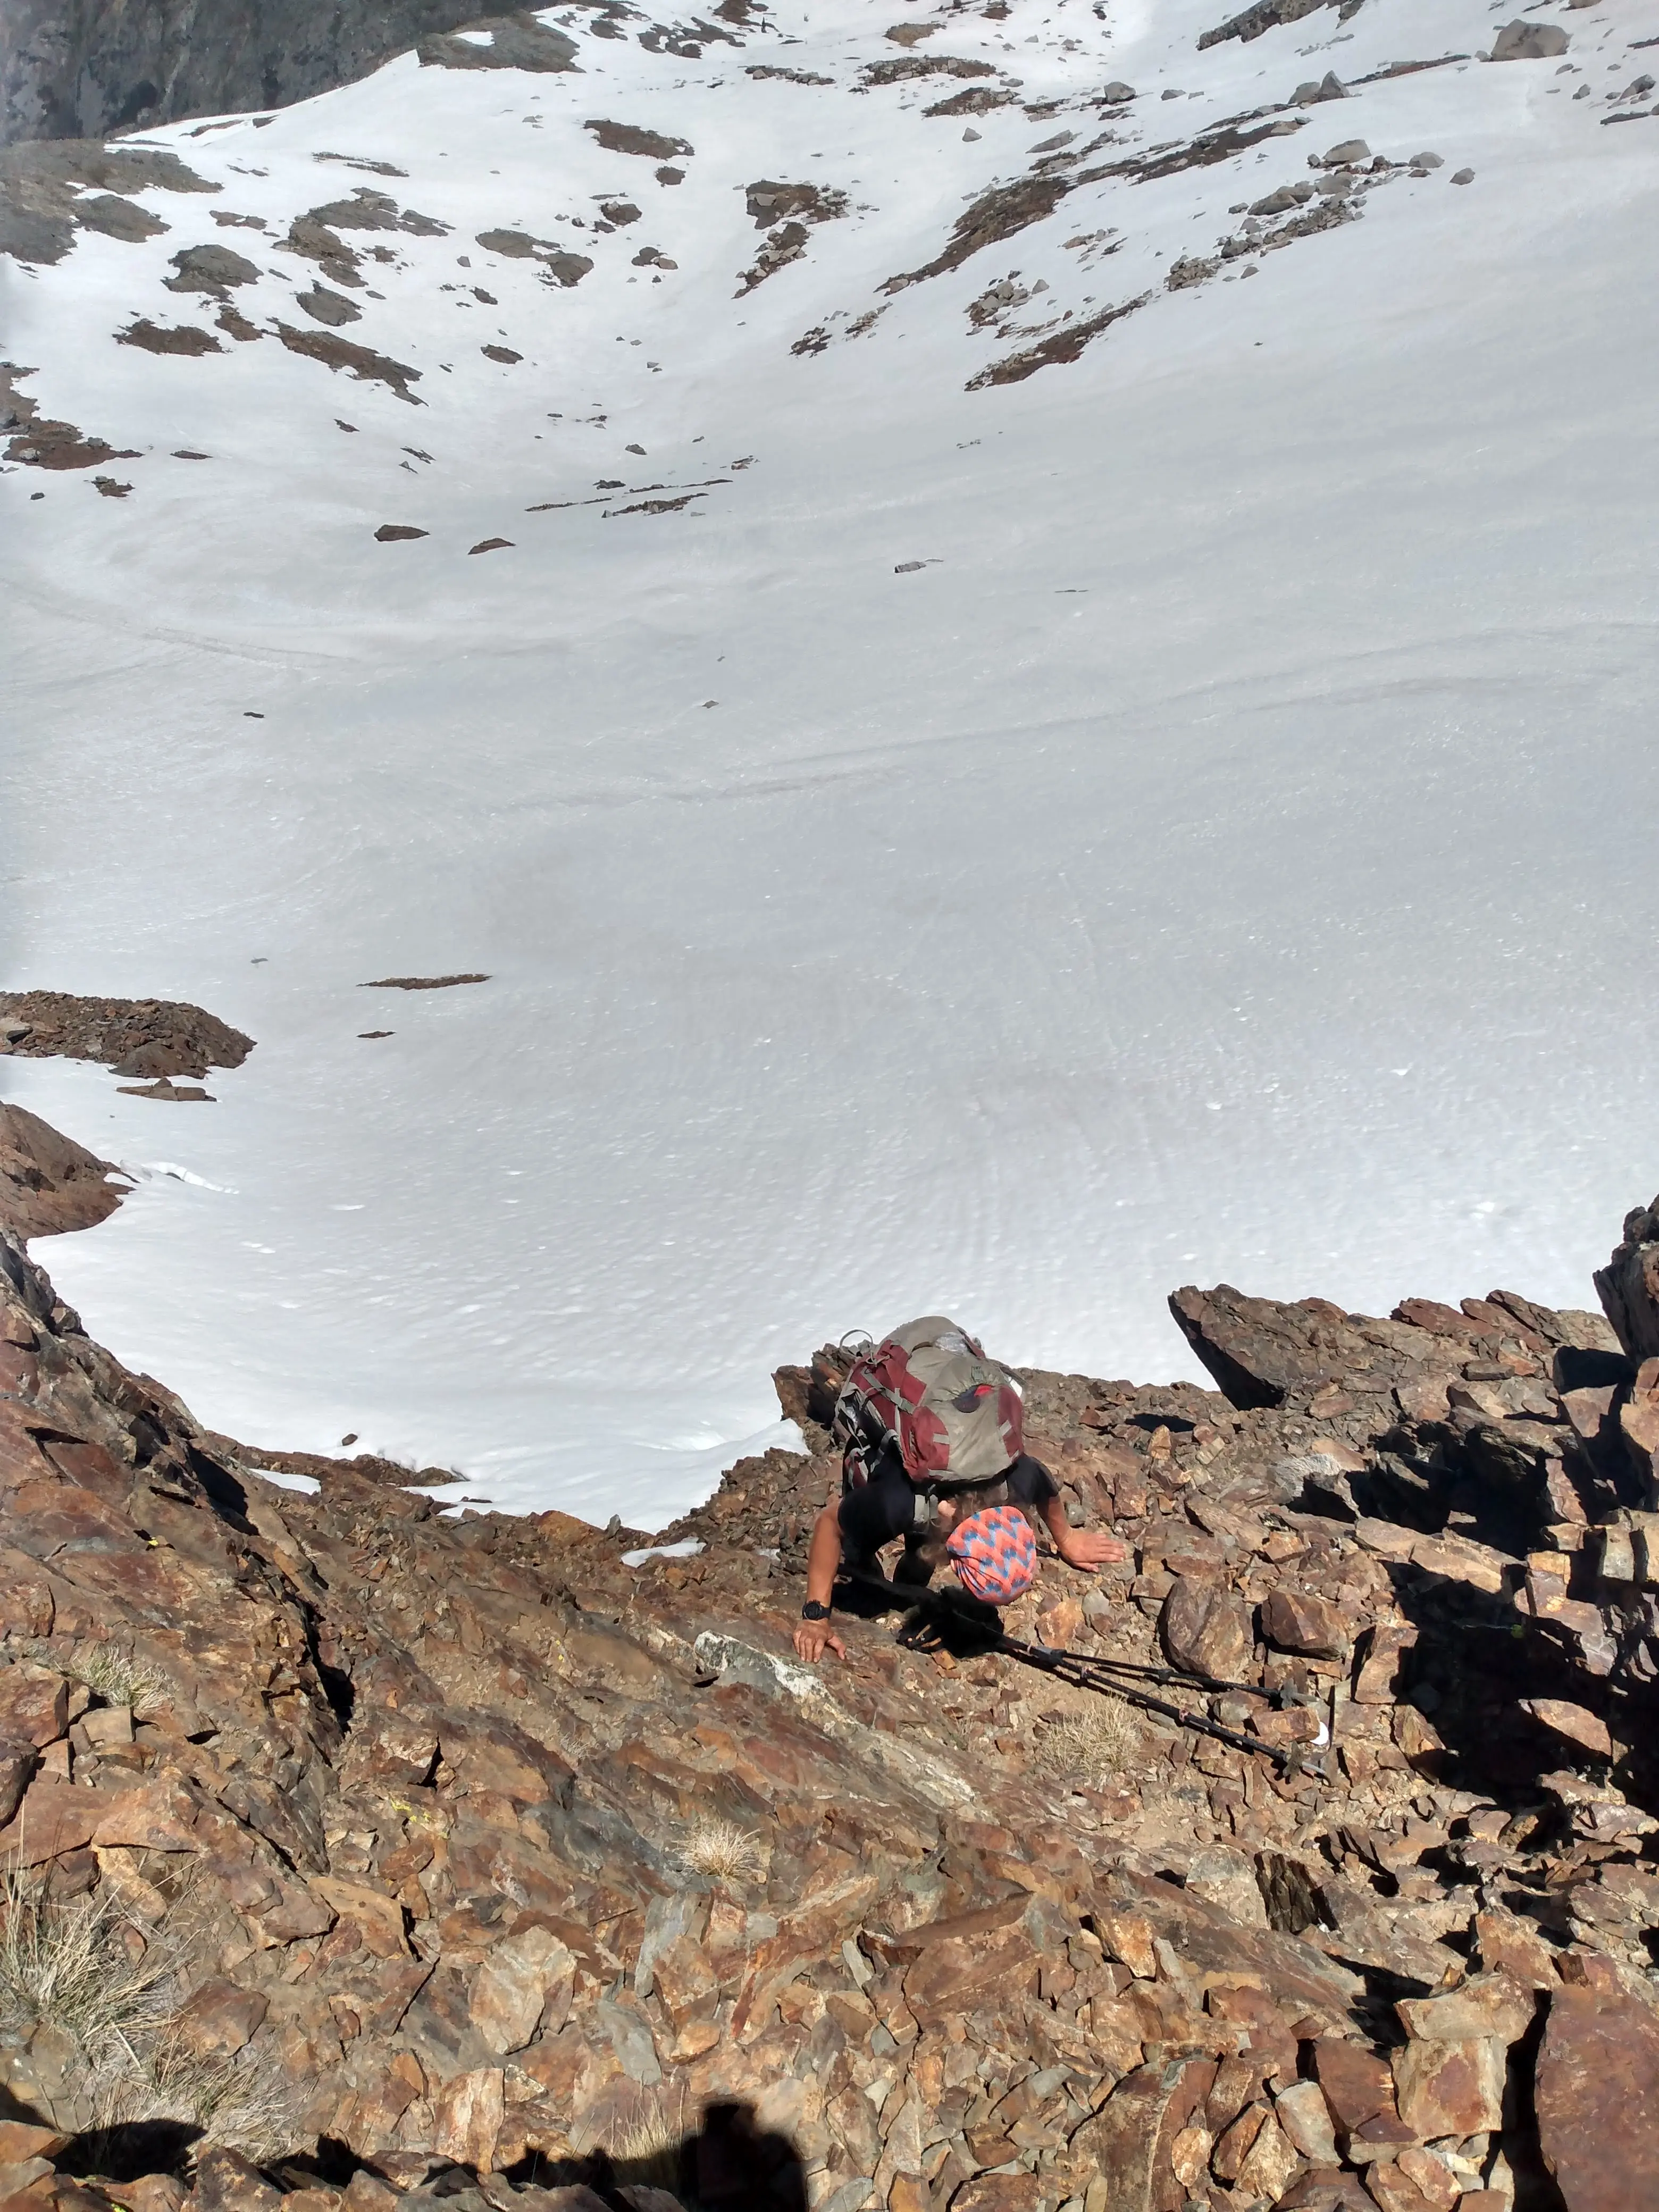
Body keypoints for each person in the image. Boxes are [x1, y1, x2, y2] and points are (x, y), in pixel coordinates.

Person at [792, 1326, 1127, 1662]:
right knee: (858, 1545)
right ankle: (869, 1566)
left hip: (945, 1422)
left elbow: (1041, 1480)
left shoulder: (1014, 1483)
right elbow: (829, 1524)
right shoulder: (896, 1503)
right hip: (893, 1445)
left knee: (919, 1552)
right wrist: (816, 1617)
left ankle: (907, 1584)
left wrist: (1067, 1538)